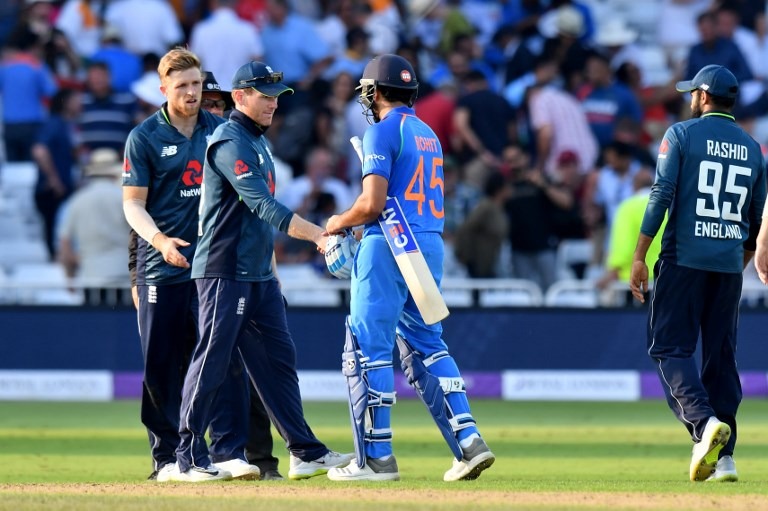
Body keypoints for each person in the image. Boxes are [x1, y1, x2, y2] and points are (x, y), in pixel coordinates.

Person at [172, 60, 353, 482]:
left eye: (276, 97)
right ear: (240, 97)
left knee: (278, 361)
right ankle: (187, 456)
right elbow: (262, 206)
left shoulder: (256, 141)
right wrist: (319, 236)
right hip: (224, 271)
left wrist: (272, 272)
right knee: (212, 360)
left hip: (258, 275)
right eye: (265, 96)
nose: (273, 104)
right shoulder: (229, 140)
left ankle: (304, 452)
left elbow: (256, 222)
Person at [324, 54, 495, 482]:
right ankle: (469, 440)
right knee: (428, 344)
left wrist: (338, 221)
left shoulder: (382, 131)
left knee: (367, 347)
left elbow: (372, 204)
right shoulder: (428, 133)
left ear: (376, 92)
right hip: (428, 244)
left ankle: (376, 458)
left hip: (387, 244)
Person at [122, 47, 259, 483]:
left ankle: (228, 452)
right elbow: (132, 205)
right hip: (161, 268)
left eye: (197, 84)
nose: (192, 92)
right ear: (163, 88)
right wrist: (160, 241)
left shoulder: (222, 131)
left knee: (222, 359)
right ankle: (166, 459)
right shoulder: (144, 137)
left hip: (213, 267)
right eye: (182, 85)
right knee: (161, 365)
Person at [630, 64, 767, 483]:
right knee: (721, 357)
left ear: (703, 96)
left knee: (668, 347)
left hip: (682, 260)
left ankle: (703, 423)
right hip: (728, 267)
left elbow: (661, 194)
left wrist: (639, 254)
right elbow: (756, 218)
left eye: (692, 92)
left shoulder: (681, 135)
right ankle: (725, 459)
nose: (690, 97)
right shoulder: (753, 148)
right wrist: (738, 261)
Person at [58, 148, 130, 305]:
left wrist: (70, 277)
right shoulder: (124, 199)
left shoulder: (76, 201)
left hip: (91, 277)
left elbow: (65, 245)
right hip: (124, 277)